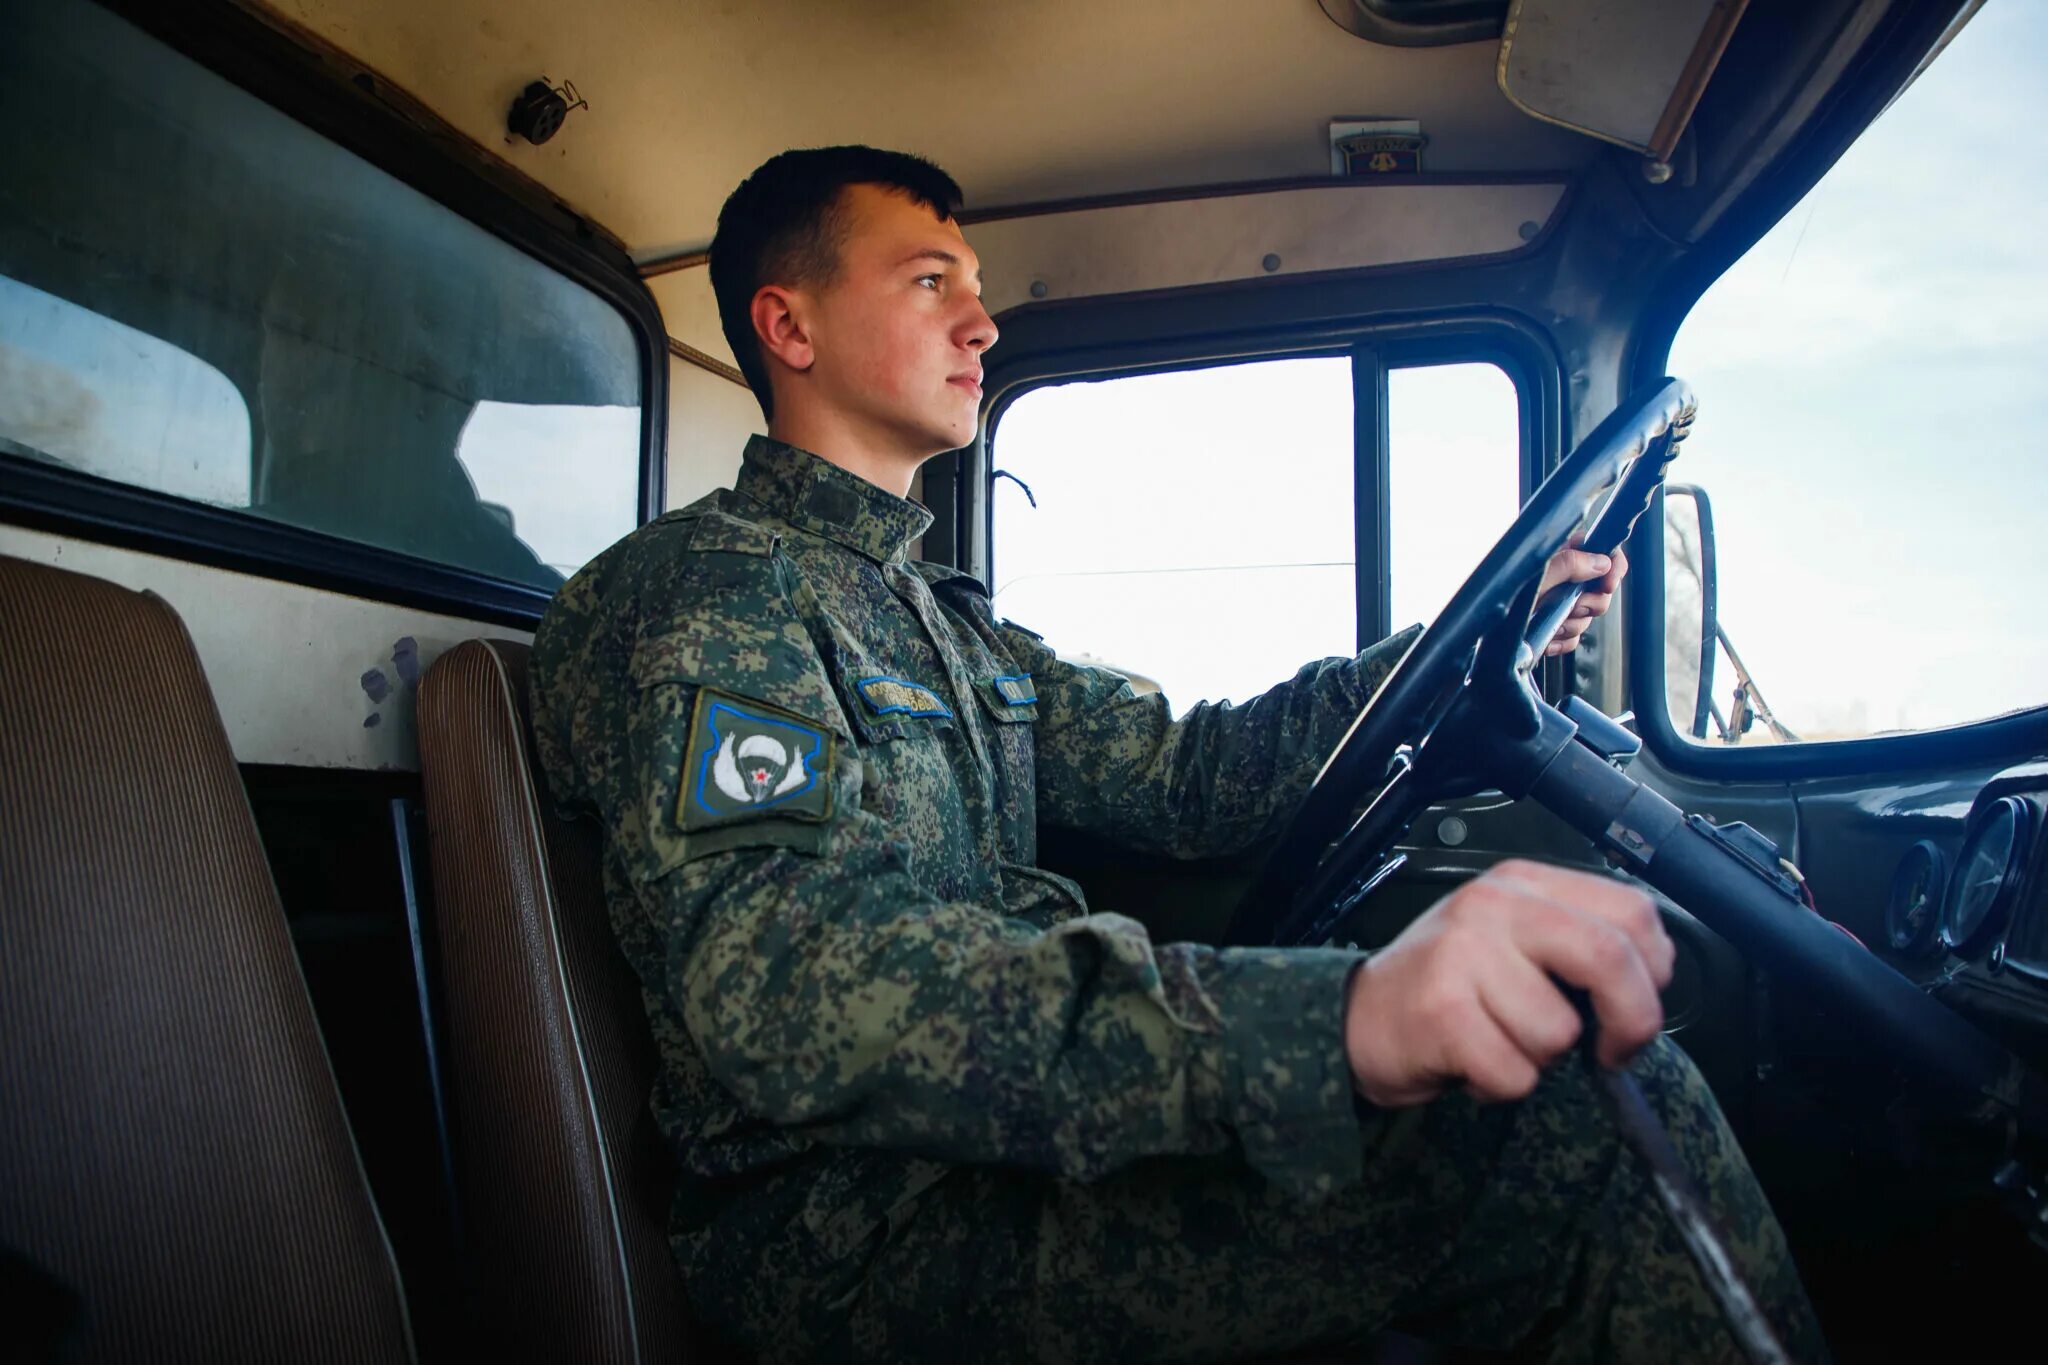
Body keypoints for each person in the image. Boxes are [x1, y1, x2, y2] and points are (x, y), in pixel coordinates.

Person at [531, 146, 1823, 1363]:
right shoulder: (707, 596)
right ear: (791, 328)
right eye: (932, 285)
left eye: (979, 294)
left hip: (1000, 1153)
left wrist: (1456, 640)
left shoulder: (940, 617)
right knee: (1584, 1117)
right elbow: (795, 989)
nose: (983, 325)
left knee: (1564, 1079)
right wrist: (1329, 1021)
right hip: (865, 1238)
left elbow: (1193, 777)